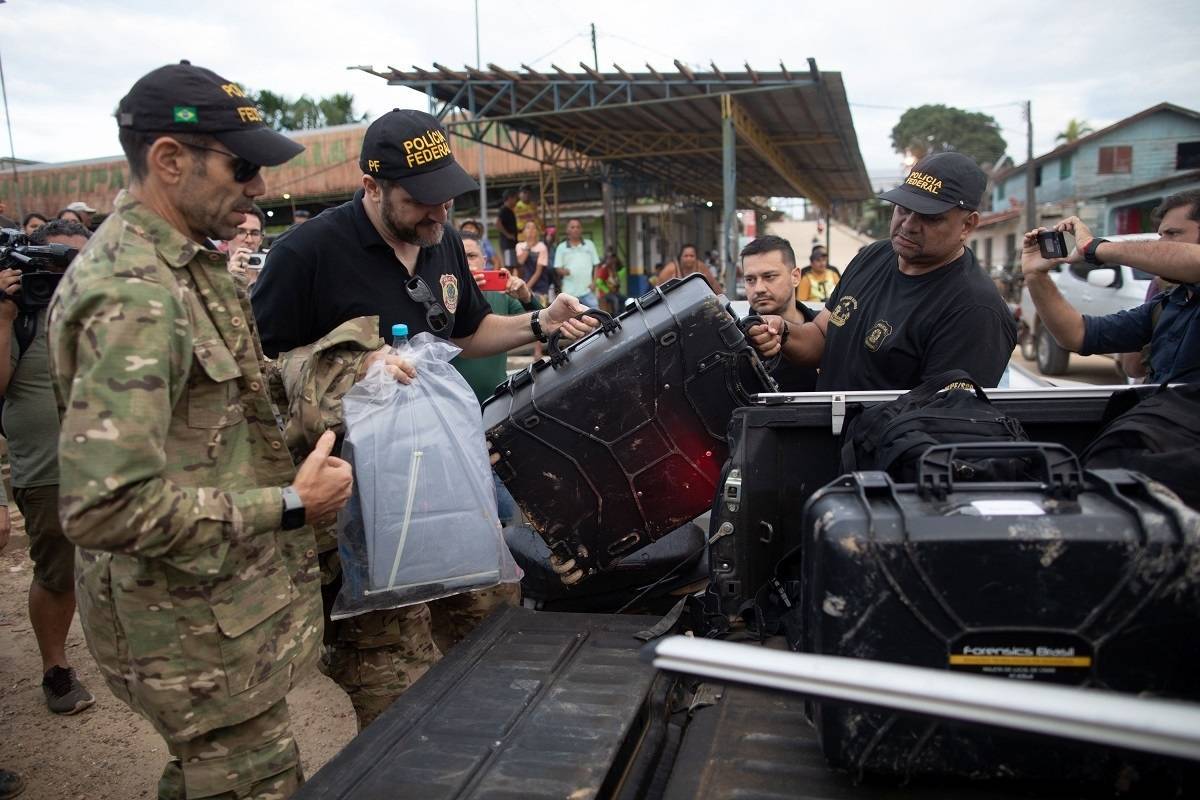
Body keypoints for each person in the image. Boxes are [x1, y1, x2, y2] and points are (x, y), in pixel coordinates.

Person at [47, 61, 354, 799]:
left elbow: (234, 401)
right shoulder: (134, 293)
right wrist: (288, 504)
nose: (256, 186)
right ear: (169, 159)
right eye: (242, 165)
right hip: (186, 635)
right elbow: (103, 506)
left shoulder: (185, 267)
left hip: (217, 617)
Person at [252, 108, 593, 730]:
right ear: (372, 187)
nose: (438, 216)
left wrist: (540, 321)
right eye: (421, 202)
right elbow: (262, 375)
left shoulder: (440, 245)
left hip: (448, 481)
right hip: (364, 502)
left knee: (491, 640)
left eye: (446, 199)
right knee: (392, 682)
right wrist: (354, 367)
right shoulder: (306, 255)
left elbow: (466, 333)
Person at [748, 151, 1017, 390]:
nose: (909, 224)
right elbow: (821, 337)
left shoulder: (975, 311)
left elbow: (942, 421)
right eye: (903, 208)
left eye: (930, 217)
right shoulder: (873, 256)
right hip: (826, 438)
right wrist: (783, 331)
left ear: (967, 225)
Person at [1, 219, 96, 717]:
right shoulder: (20, 311)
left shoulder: (100, 304)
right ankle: (55, 669)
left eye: (77, 259)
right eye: (56, 260)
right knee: (57, 570)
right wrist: (2, 315)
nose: (66, 271)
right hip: (47, 465)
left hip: (107, 461)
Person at [1022, 193, 1200, 385]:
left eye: (1173, 233)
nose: (1161, 243)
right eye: (1161, 235)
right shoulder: (1166, 304)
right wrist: (1036, 276)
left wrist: (1091, 247)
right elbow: (1078, 334)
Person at [454, 229, 539, 526]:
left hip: (493, 410)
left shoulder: (500, 297)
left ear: (485, 259)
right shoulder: (440, 296)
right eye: (459, 256)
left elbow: (540, 317)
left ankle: (506, 550)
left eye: (472, 255)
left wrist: (525, 293)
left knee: (500, 495)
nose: (467, 262)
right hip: (452, 416)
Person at [741, 235, 818, 391]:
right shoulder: (736, 345)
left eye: (769, 277)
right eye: (750, 279)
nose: (759, 288)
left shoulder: (829, 330)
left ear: (795, 277)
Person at [554, 218, 601, 307]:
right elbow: (557, 268)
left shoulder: (589, 244)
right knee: (571, 319)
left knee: (596, 316)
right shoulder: (561, 247)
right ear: (567, 230)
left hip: (588, 290)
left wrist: (594, 282)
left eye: (578, 227)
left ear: (581, 230)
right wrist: (563, 271)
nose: (575, 229)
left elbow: (596, 265)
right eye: (572, 227)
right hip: (569, 292)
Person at [225, 204, 266, 285]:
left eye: (255, 233)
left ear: (261, 239)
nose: (249, 240)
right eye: (240, 232)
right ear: (226, 236)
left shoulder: (272, 273)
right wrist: (228, 281)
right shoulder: (212, 274)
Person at [497, 189, 518, 267]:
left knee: (512, 264)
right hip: (507, 243)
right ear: (510, 198)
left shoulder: (510, 210)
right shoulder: (504, 210)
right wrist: (508, 235)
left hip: (511, 243)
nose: (516, 201)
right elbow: (498, 224)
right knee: (509, 266)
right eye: (515, 198)